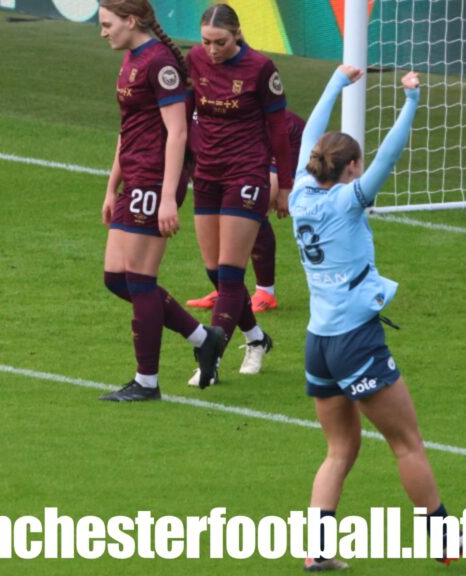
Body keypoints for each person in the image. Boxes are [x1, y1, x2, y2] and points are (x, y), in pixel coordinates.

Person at [291, 66, 453, 570]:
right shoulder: (348, 200)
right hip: (355, 341)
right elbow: (390, 155)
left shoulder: (300, 191)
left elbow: (309, 132)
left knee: (340, 448)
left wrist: (337, 82)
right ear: (352, 169)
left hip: (318, 341)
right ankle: (444, 537)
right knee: (407, 442)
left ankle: (316, 550)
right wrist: (411, 101)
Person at [95, 0, 225, 401]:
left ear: (131, 21)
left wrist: (168, 196)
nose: (103, 31)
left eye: (108, 24)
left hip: (153, 181)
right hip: (133, 177)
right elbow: (128, 127)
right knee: (116, 278)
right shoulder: (131, 59)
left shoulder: (159, 64)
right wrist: (111, 184)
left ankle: (146, 382)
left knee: (140, 280)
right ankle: (204, 337)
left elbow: (178, 133)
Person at [184, 3, 292, 381]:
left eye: (221, 42)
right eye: (207, 42)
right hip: (207, 175)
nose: (213, 50)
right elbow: (183, 116)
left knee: (230, 275)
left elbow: (279, 130)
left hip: (246, 174)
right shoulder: (194, 60)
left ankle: (210, 362)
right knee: (215, 272)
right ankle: (257, 338)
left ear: (238, 34)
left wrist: (286, 186)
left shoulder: (260, 69)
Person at [186, 109, 306, 314]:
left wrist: (285, 186)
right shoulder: (187, 108)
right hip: (242, 147)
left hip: (281, 137)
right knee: (221, 211)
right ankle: (227, 288)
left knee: (251, 207)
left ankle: (265, 292)